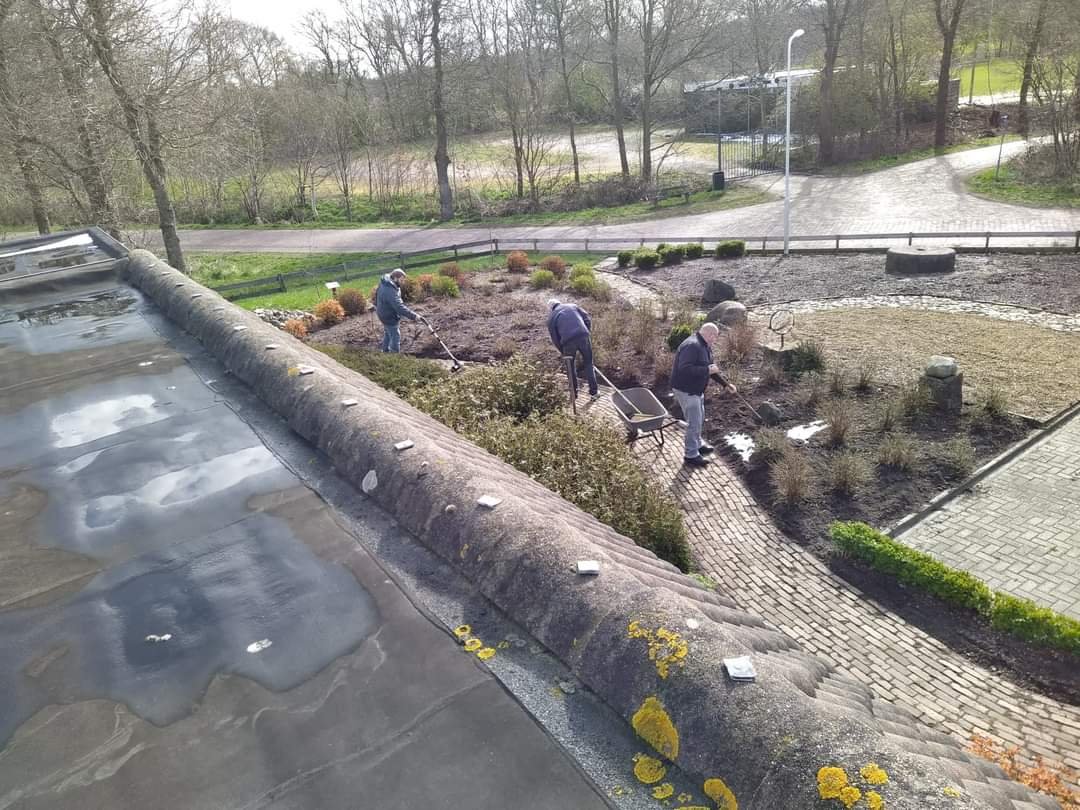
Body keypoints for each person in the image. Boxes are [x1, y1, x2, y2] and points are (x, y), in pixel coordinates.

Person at [670, 322, 737, 467]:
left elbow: (710, 368)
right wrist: (707, 371)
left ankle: (698, 444)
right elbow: (684, 369)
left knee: (699, 418)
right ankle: (691, 455)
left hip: (696, 389)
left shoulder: (704, 345)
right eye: (715, 336)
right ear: (709, 333)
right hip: (686, 390)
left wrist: (725, 384)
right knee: (694, 422)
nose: (715, 339)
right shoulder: (692, 346)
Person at [547, 298, 598, 398]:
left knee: (570, 368)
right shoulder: (573, 306)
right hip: (583, 336)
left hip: (567, 342)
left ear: (551, 309)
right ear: (559, 302)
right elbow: (587, 318)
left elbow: (555, 338)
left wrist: (562, 351)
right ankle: (594, 393)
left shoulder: (551, 318)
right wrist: (586, 332)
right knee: (588, 363)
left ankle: (574, 394)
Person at [375, 268, 425, 353]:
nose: (403, 282)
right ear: (395, 278)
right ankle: (394, 357)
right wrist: (414, 316)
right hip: (388, 316)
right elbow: (399, 307)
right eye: (401, 280)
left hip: (383, 312)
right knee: (395, 335)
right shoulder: (390, 290)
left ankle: (384, 351)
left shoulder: (387, 283)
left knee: (388, 332)